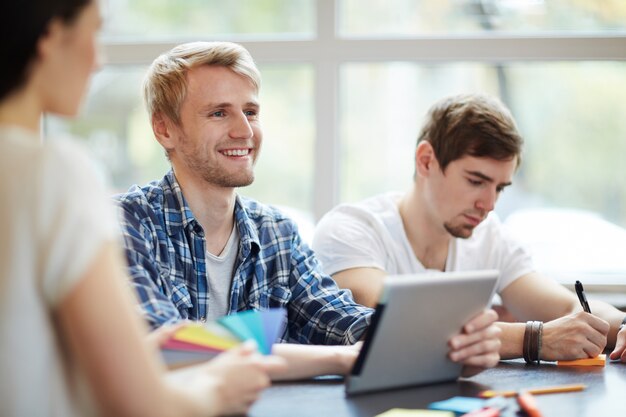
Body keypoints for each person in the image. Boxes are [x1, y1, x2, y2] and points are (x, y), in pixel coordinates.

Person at [114, 41, 502, 377]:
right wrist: (338, 360)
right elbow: (170, 349)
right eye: (219, 113)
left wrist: (447, 346)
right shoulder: (126, 225)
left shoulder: (276, 233)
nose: (245, 131)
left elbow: (342, 322)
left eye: (250, 112)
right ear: (165, 129)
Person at [0, 2, 287, 416]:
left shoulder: (273, 227)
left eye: (250, 111)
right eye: (94, 33)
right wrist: (220, 389)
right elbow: (139, 402)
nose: (97, 61)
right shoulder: (51, 172)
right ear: (50, 37)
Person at [312, 93, 626, 363]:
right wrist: (536, 339)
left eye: (500, 188)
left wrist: (623, 324)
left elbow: (566, 306)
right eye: (476, 182)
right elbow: (390, 322)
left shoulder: (489, 237)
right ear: (425, 161)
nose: (489, 204)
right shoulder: (350, 229)